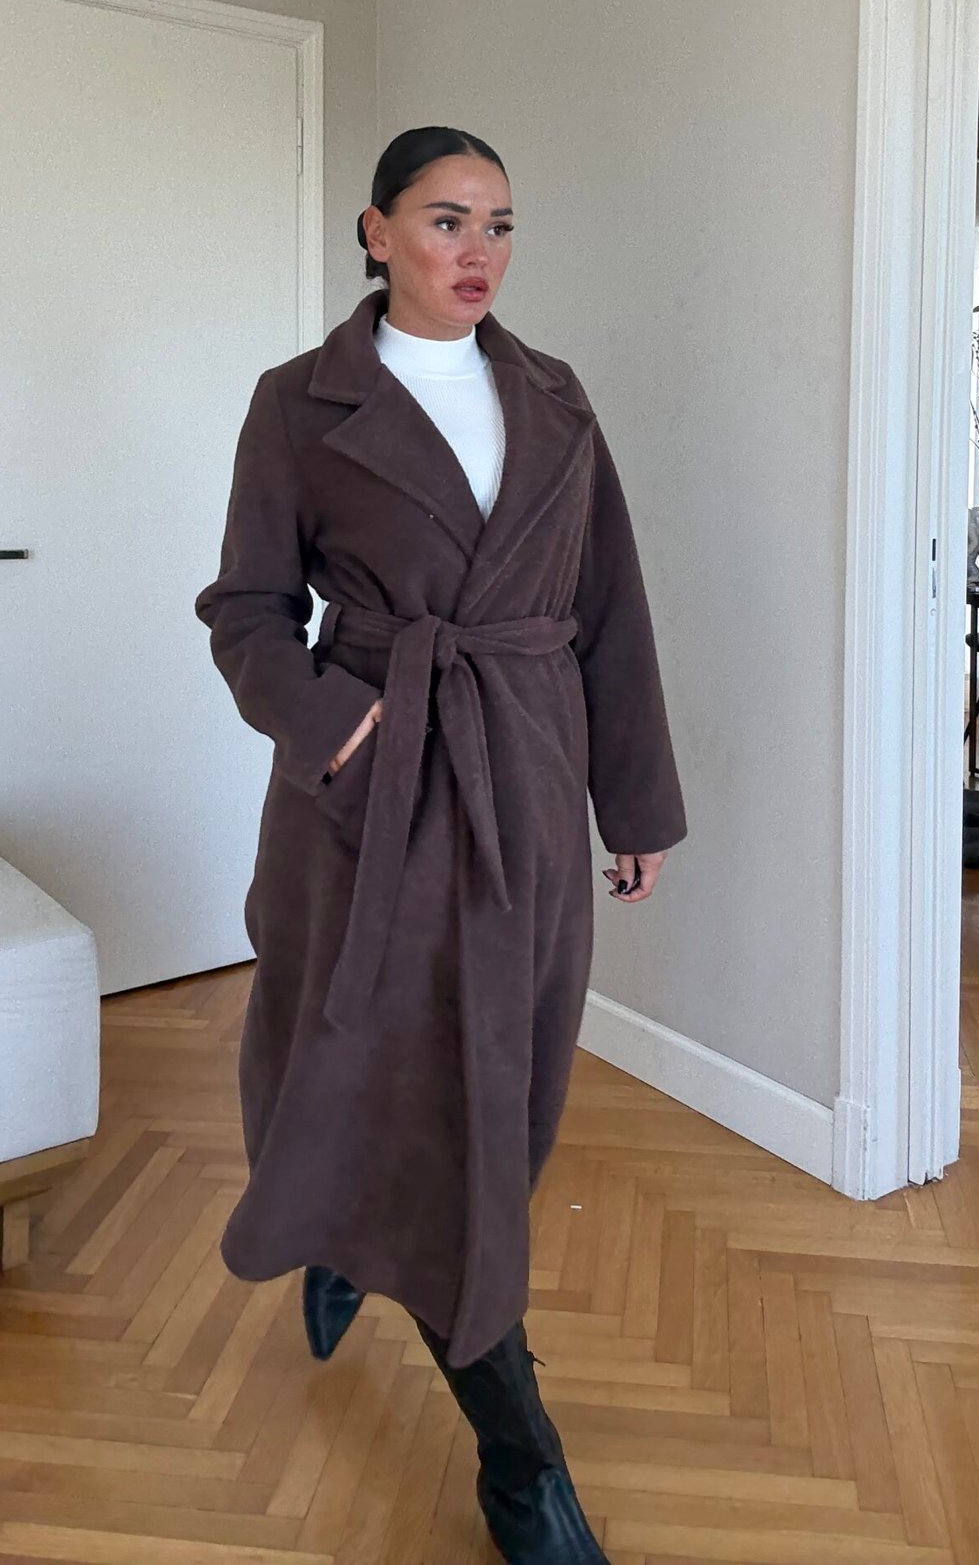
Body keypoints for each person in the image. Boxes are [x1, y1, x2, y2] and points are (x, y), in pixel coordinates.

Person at [195, 124, 686, 1565]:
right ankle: (522, 1462)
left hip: (524, 784)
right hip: (371, 799)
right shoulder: (299, 404)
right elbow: (245, 610)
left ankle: (357, 1240)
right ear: (377, 230)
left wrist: (634, 802)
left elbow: (612, 606)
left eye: (502, 224)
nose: (480, 252)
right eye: (447, 219)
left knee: (499, 1099)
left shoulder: (556, 397)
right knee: (396, 1094)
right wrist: (337, 724)